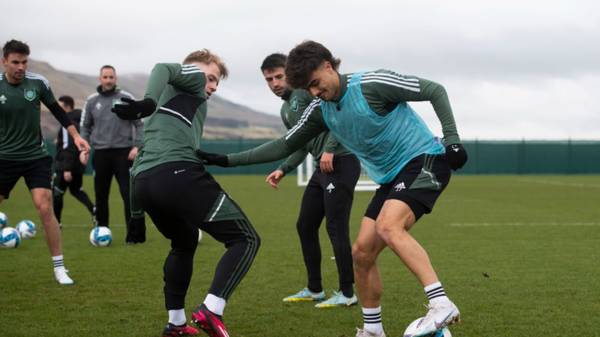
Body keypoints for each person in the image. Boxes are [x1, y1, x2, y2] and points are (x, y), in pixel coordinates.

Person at [197, 41, 468, 337]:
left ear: (329, 66)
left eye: (315, 83)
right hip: (390, 177)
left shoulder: (372, 84)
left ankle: (441, 303)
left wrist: (452, 140)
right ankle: (373, 330)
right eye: (307, 88)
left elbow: (434, 90)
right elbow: (285, 144)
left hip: (424, 159)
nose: (314, 92)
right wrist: (226, 160)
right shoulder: (320, 109)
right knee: (362, 253)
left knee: (389, 226)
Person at [112, 49, 261, 337]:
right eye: (212, 78)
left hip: (145, 182)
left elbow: (141, 160)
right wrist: (147, 103)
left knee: (185, 241)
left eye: (217, 83)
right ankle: (211, 309)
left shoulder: (185, 103)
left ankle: (176, 324)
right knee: (245, 238)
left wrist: (135, 215)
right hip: (178, 175)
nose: (214, 86)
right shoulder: (191, 78)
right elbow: (161, 66)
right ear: (194, 69)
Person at [261, 53, 361, 308]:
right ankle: (315, 289)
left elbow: (338, 117)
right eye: (269, 79)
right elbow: (301, 143)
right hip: (322, 169)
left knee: (336, 227)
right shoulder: (286, 109)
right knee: (305, 225)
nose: (274, 83)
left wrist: (330, 147)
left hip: (341, 160)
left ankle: (347, 293)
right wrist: (283, 169)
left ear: (291, 73)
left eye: (279, 76)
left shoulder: (307, 93)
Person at [0, 39, 90, 285]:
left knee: (44, 207)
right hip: (4, 159)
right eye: (15, 62)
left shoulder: (38, 83)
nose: (21, 66)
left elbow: (59, 112)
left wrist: (76, 137)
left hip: (35, 157)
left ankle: (60, 268)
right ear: (4, 61)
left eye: (24, 62)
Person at [80, 65, 146, 244]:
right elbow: (85, 127)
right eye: (105, 77)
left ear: (115, 79)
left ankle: (133, 236)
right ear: (100, 79)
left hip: (124, 153)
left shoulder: (126, 98)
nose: (108, 80)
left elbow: (139, 123)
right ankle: (102, 232)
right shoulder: (92, 101)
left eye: (111, 77)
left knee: (128, 195)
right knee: (101, 195)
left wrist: (137, 147)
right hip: (100, 154)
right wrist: (84, 147)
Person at [52, 95, 96, 226]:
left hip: (66, 167)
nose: (58, 110)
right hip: (78, 166)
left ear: (67, 107)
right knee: (76, 191)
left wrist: (66, 169)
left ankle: (56, 223)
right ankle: (94, 209)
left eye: (60, 107)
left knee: (57, 193)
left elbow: (69, 148)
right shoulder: (79, 121)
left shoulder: (67, 123)